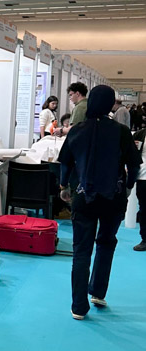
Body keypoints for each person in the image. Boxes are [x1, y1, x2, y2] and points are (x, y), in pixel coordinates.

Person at [58, 85, 141, 318]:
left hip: (83, 195)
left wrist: (64, 186)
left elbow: (65, 162)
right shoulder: (121, 131)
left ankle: (78, 306)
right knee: (106, 243)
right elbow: (134, 165)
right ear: (110, 104)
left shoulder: (77, 130)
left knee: (81, 250)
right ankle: (98, 291)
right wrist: (127, 187)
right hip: (113, 197)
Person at [132, 125, 146, 252]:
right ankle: (145, 239)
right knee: (144, 210)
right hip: (142, 177)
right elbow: (131, 154)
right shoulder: (139, 135)